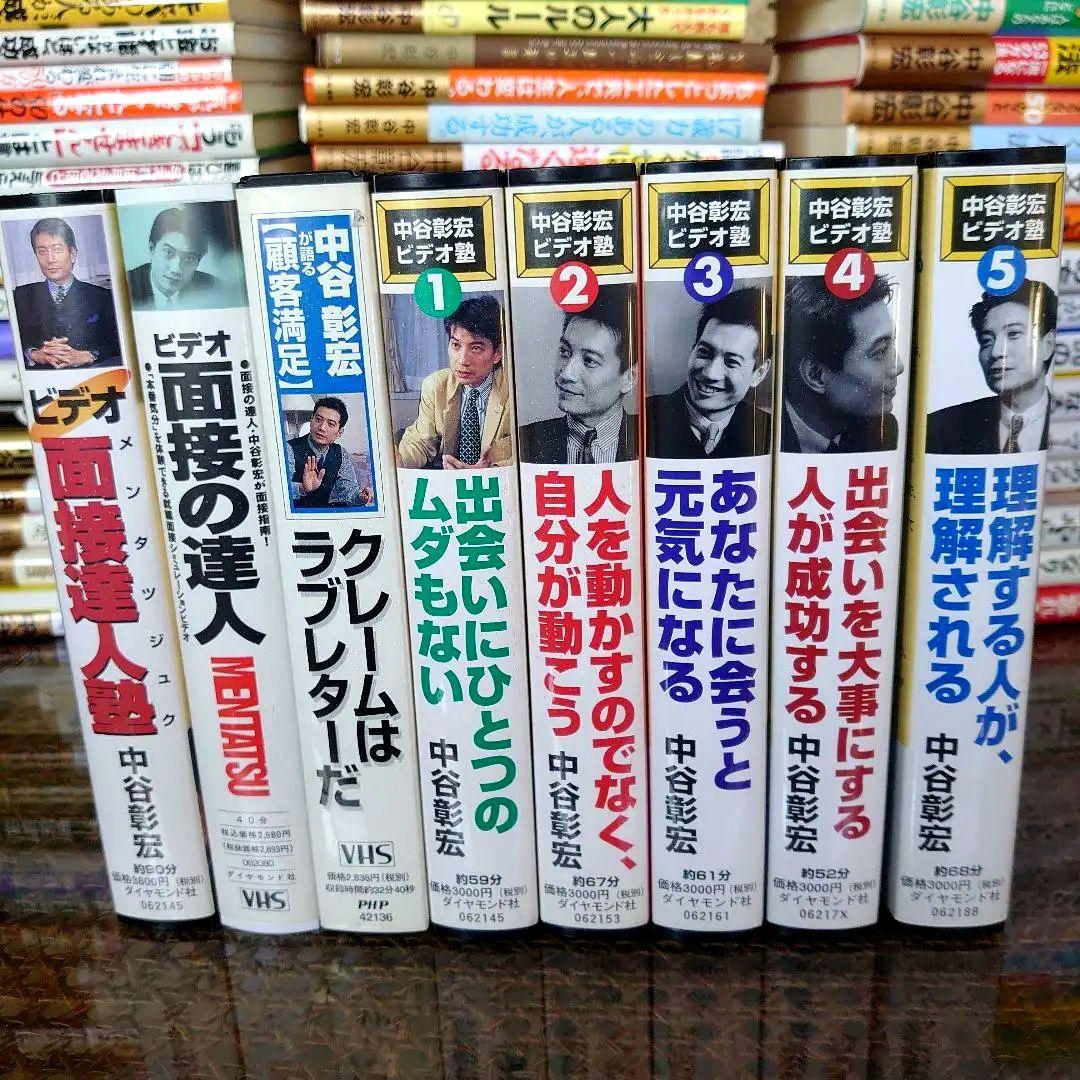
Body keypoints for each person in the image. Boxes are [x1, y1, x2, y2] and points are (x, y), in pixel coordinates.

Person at [925, 279, 1055, 454]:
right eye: (986, 340)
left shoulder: (1066, 419)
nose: (995, 352)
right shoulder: (941, 427)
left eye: (1013, 334)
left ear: (1048, 345)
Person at [780, 274, 902, 454]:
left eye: (893, 343)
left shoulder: (883, 430)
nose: (898, 367)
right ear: (815, 375)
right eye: (880, 352)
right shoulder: (763, 434)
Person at [646, 286, 772, 459]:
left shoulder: (771, 431)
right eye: (704, 352)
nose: (710, 374)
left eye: (731, 362)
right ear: (693, 349)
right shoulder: (645, 418)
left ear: (759, 373)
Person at [519, 284, 637, 465]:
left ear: (629, 377)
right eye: (564, 351)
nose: (566, 373)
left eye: (589, 360)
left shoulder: (653, 442)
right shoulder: (526, 441)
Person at [396, 294, 512, 469]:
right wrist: (400, 460)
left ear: (497, 353)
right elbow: (420, 442)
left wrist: (490, 470)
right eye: (456, 345)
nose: (462, 360)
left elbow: (525, 453)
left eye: (476, 348)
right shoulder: (436, 385)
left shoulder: (514, 390)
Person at [14, 216, 121, 370]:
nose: (50, 259)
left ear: (72, 254)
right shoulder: (20, 296)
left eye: (57, 249)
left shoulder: (104, 297)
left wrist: (88, 355)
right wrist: (34, 354)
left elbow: (119, 344)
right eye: (42, 251)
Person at [285, 396, 373, 508]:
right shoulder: (289, 448)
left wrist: (360, 497)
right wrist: (302, 488)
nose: (322, 427)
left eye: (330, 424)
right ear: (311, 420)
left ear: (339, 432)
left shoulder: (341, 453)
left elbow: (347, 490)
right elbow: (279, 488)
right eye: (318, 420)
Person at [127, 206, 220, 311]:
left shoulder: (215, 290)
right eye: (168, 252)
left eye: (189, 258)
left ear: (198, 262)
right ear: (152, 248)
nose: (176, 269)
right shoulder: (124, 287)